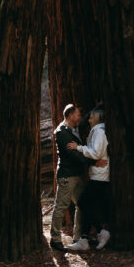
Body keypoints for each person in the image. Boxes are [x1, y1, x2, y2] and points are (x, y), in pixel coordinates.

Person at [66, 105, 111, 251]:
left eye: (92, 117)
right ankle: (84, 239)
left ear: (97, 118)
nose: (89, 119)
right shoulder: (97, 131)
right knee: (87, 205)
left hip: (100, 175)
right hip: (98, 174)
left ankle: (101, 232)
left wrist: (79, 148)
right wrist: (97, 106)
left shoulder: (99, 132)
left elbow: (96, 153)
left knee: (83, 203)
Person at [49, 103, 88, 252]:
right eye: (77, 114)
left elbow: (84, 120)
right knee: (61, 206)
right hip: (67, 176)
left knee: (82, 204)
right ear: (70, 116)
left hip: (77, 175)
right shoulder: (62, 132)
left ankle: (78, 237)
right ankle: (55, 239)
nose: (80, 117)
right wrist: (92, 161)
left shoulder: (74, 127)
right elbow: (73, 154)